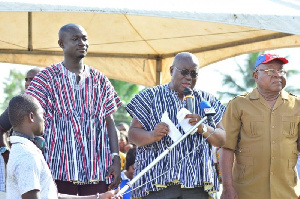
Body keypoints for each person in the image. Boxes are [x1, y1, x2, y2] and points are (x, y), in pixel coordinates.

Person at [25, 23, 122, 196]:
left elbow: (110, 122)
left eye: (84, 38)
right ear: (61, 43)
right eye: (75, 39)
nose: (81, 43)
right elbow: (27, 117)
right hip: (57, 168)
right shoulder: (46, 78)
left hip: (96, 169)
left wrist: (116, 158)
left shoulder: (100, 80)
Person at [125, 52, 226, 198]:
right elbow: (133, 135)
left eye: (194, 73)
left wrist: (202, 127)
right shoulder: (149, 96)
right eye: (184, 72)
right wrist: (152, 135)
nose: (189, 77)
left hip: (196, 185)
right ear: (172, 70)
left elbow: (222, 138)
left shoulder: (208, 101)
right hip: (157, 184)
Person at [6, 94, 122, 199]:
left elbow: (51, 196)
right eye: (42, 115)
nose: (44, 120)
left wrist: (99, 197)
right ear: (31, 117)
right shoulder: (27, 156)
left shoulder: (26, 150)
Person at [219, 53, 300, 199]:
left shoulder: (297, 106)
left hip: (287, 192)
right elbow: (227, 147)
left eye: (281, 71)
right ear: (255, 76)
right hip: (247, 192)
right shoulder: (239, 105)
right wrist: (227, 187)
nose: (277, 75)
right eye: (270, 71)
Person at [0, 67, 41, 197]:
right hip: (26, 166)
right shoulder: (20, 104)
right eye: (26, 79)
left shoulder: (54, 102)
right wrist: (5, 152)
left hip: (49, 167)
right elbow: (0, 127)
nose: (28, 83)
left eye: (32, 79)